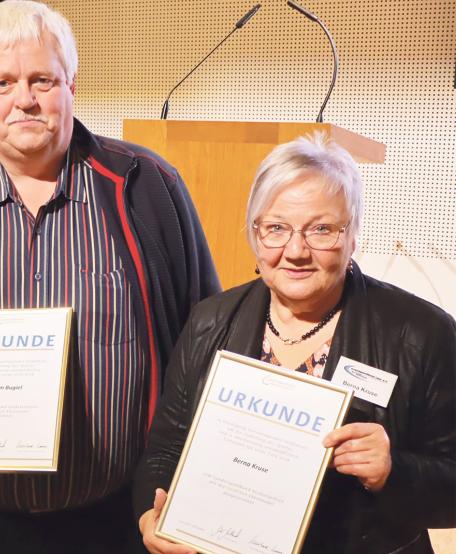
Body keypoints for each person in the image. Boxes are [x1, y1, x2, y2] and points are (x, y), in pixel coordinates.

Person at [0, 2, 219, 552]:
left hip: (119, 521)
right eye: (2, 82)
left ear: (71, 84)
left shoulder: (147, 188)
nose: (24, 99)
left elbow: (205, 337)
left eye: (41, 79)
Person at [134, 132, 456, 553]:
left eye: (321, 229)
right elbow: (165, 450)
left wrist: (394, 470)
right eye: (276, 228)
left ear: (353, 234)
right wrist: (150, 515)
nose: (296, 251)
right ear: (255, 233)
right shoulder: (209, 321)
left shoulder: (421, 334)